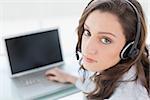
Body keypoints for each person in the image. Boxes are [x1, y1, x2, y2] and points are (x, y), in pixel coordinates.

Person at [45, 0, 150, 100]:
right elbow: (100, 87)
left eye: (105, 40)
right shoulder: (124, 68)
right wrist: (71, 78)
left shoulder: (125, 96)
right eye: (87, 32)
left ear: (129, 48)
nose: (87, 48)